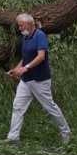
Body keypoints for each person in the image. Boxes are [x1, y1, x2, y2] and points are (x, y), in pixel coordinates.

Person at [5, 13, 71, 145]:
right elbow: (25, 58)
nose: (19, 28)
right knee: (18, 106)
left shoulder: (40, 36)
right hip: (26, 80)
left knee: (50, 107)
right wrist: (17, 69)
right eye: (19, 25)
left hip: (39, 80)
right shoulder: (25, 38)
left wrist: (26, 67)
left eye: (21, 25)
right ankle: (13, 137)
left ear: (30, 24)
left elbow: (41, 56)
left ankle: (66, 133)